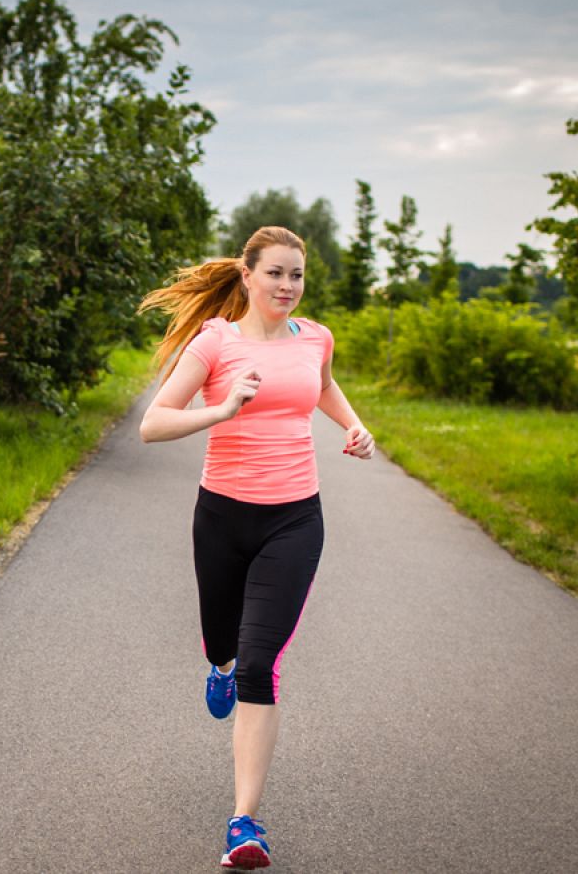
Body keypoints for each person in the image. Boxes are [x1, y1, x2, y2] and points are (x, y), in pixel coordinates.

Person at [137, 225, 374, 870]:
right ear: (246, 276)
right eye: (275, 273)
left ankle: (244, 823)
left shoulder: (315, 338)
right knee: (224, 644)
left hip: (295, 519)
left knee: (259, 662)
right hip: (222, 517)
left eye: (297, 275)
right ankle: (216, 665)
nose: (288, 287)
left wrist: (354, 426)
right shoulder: (216, 341)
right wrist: (221, 412)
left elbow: (321, 387)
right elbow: (153, 424)